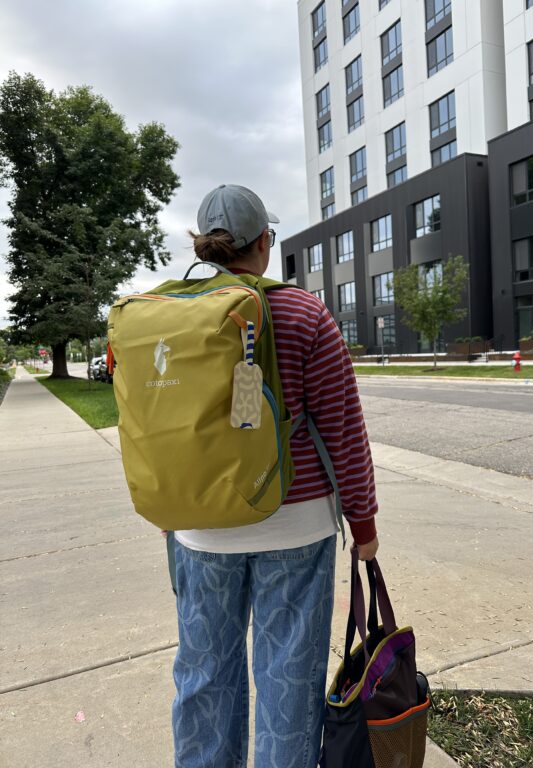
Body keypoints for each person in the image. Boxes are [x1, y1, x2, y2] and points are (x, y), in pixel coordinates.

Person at [172, 183, 379, 768]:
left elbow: (156, 427)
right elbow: (343, 430)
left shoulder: (168, 315)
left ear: (204, 247)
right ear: (265, 243)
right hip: (296, 522)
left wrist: (169, 511)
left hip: (200, 524)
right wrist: (363, 523)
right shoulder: (303, 311)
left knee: (204, 674)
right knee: (288, 678)